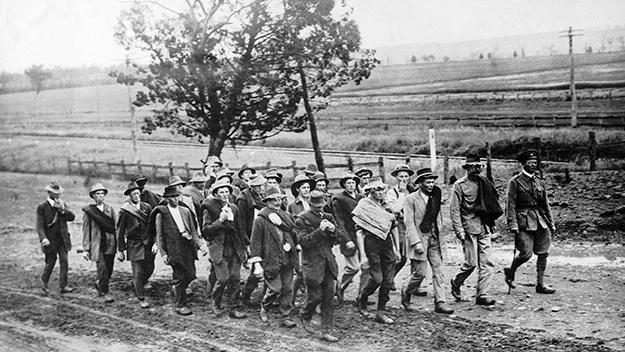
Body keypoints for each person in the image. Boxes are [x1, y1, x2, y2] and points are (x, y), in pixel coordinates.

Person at [295, 190, 353, 343]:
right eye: (315, 207)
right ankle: (306, 313)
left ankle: (326, 330)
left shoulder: (329, 217)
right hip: (312, 264)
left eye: (321, 206)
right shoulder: (301, 220)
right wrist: (320, 231)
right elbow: (304, 242)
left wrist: (334, 230)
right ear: (310, 205)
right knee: (315, 297)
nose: (318, 209)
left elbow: (341, 237)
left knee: (328, 298)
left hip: (328, 263)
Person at [449, 154, 502, 306]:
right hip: (468, 229)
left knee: (487, 262)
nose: (477, 169)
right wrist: (459, 231)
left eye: (480, 166)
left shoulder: (485, 182)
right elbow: (454, 210)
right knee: (471, 263)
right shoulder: (460, 185)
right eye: (474, 166)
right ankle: (456, 282)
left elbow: (491, 205)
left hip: (484, 227)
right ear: (467, 167)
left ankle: (482, 295)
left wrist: (493, 227)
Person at [504, 149, 557, 294]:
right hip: (523, 222)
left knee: (543, 252)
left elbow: (545, 204)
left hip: (540, 220)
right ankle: (511, 270)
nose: (533, 165)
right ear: (523, 164)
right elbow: (510, 205)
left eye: (535, 162)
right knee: (526, 253)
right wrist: (513, 225)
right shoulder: (515, 182)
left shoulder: (540, 181)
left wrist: (551, 222)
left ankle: (540, 284)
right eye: (530, 162)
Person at [402, 168, 454, 314]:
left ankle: (440, 302)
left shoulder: (435, 196)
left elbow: (438, 218)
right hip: (420, 238)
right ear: (419, 183)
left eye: (432, 182)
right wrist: (416, 242)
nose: (431, 185)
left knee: (439, 270)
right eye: (428, 182)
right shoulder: (411, 199)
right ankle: (406, 292)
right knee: (420, 273)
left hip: (435, 238)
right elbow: (409, 223)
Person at [153, 185, 208, 316]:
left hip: (187, 246)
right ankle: (180, 304)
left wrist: (201, 245)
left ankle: (177, 289)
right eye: (172, 197)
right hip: (173, 248)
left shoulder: (185, 211)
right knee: (180, 275)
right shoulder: (162, 213)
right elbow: (159, 235)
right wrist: (164, 253)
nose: (175, 199)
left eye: (177, 196)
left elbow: (193, 231)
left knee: (191, 274)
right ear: (166, 199)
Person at [249, 187, 299, 328]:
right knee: (275, 288)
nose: (276, 202)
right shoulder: (261, 219)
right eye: (273, 199)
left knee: (288, 288)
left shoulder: (286, 216)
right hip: (271, 259)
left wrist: (296, 245)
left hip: (287, 257)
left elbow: (293, 232)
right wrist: (257, 263)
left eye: (279, 199)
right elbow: (256, 243)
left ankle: (285, 316)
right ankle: (265, 307)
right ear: (267, 201)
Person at [353, 177, 400, 324]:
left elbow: (394, 226)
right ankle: (363, 297)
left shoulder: (386, 205)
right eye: (377, 189)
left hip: (386, 243)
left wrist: (396, 248)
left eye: (382, 189)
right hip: (371, 244)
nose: (380, 192)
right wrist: (363, 256)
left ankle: (381, 311)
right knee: (377, 278)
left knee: (388, 280)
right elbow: (359, 232)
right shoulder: (364, 206)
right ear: (370, 190)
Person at [202, 179, 248, 319]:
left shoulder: (234, 208)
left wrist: (245, 246)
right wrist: (220, 221)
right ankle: (216, 302)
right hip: (219, 248)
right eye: (221, 192)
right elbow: (206, 230)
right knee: (223, 279)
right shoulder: (208, 208)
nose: (224, 194)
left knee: (235, 278)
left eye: (226, 191)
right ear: (215, 193)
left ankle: (234, 307)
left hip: (234, 247)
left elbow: (240, 228)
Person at [116, 181, 156, 308]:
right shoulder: (125, 210)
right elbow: (120, 231)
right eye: (134, 194)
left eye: (138, 193)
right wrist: (121, 250)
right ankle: (141, 297)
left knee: (150, 268)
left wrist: (155, 242)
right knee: (137, 272)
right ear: (130, 195)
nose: (137, 196)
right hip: (134, 245)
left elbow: (153, 227)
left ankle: (138, 285)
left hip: (148, 244)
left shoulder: (147, 207)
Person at [36, 181, 76, 295]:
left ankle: (63, 286)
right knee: (50, 262)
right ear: (49, 193)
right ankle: (44, 282)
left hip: (63, 239)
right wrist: (43, 238)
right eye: (55, 193)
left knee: (64, 262)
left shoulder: (62, 204)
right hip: (50, 240)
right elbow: (39, 225)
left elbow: (72, 217)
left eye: (58, 192)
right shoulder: (42, 207)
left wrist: (63, 210)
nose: (57, 195)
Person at [333, 172, 367, 303]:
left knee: (366, 266)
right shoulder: (339, 199)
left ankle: (362, 295)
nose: (351, 185)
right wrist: (346, 240)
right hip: (349, 236)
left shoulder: (361, 197)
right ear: (344, 185)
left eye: (353, 183)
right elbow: (339, 222)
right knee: (353, 267)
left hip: (363, 235)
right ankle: (340, 286)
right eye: (348, 183)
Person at [82, 183, 117, 303]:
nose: (100, 196)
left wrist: (120, 244)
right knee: (101, 268)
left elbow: (116, 227)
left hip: (110, 242)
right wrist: (86, 249)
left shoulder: (110, 208)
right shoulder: (89, 211)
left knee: (109, 268)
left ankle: (100, 283)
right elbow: (86, 230)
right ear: (93, 196)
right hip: (97, 244)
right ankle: (105, 292)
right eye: (97, 194)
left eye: (102, 193)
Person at [236, 173, 268, 306]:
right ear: (251, 186)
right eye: (257, 185)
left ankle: (264, 296)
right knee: (257, 268)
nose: (261, 187)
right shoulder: (243, 199)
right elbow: (241, 223)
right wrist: (246, 242)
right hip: (251, 236)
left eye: (262, 185)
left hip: (264, 234)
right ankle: (246, 295)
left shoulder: (263, 196)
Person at [386, 164, 414, 291]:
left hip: (413, 225)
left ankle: (414, 285)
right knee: (401, 256)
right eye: (401, 176)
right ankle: (389, 278)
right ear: (396, 177)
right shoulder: (392, 192)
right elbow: (395, 210)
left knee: (415, 256)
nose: (403, 179)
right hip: (400, 226)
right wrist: (402, 194)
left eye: (406, 176)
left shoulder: (413, 190)